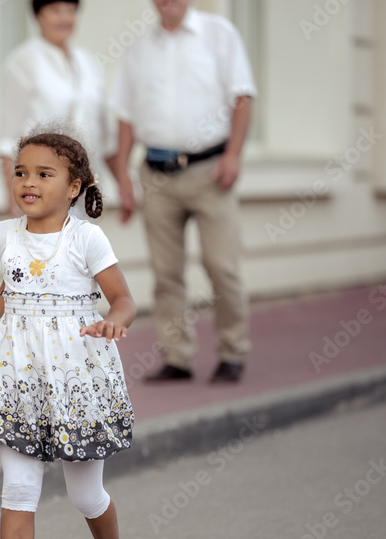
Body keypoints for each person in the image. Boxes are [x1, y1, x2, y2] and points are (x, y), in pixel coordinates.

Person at [0, 130, 136, 539]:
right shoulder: (4, 234)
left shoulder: (86, 238)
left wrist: (114, 320)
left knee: (86, 496)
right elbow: (12, 284)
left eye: (44, 174)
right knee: (17, 487)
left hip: (76, 378)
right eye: (21, 172)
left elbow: (122, 297)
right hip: (19, 378)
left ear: (74, 186)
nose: (28, 182)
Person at [110, 0, 256, 383]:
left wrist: (234, 155)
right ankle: (177, 358)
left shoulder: (219, 34)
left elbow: (242, 96)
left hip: (211, 171)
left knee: (222, 267)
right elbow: (124, 115)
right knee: (166, 273)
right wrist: (123, 175)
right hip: (156, 176)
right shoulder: (139, 48)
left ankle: (232, 351)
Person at [0, 0, 115, 217]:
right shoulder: (23, 62)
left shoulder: (88, 62)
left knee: (82, 249)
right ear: (38, 15)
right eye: (55, 11)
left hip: (83, 191)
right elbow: (8, 140)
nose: (64, 18)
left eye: (70, 11)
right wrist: (14, 200)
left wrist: (123, 183)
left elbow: (105, 136)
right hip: (41, 192)